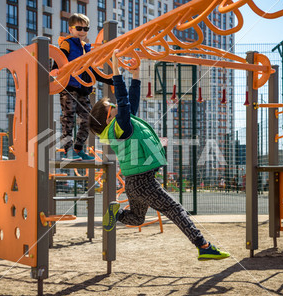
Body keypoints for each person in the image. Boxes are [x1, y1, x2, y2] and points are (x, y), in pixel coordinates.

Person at [89, 50, 230, 261]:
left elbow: (131, 101)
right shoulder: (120, 127)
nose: (117, 105)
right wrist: (117, 72)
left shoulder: (125, 124)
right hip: (143, 182)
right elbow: (125, 101)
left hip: (135, 182)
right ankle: (203, 245)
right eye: (113, 106)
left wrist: (136, 74)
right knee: (175, 209)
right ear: (109, 117)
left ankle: (115, 213)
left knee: (137, 218)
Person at [57, 13, 113, 160]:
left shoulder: (86, 48)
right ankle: (67, 151)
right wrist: (54, 69)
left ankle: (77, 149)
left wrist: (109, 80)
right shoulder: (67, 43)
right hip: (68, 87)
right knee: (68, 118)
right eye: (79, 28)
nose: (82, 31)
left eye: (85, 28)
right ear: (71, 29)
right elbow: (59, 58)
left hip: (83, 89)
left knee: (88, 118)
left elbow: (92, 69)